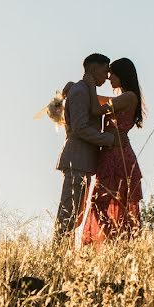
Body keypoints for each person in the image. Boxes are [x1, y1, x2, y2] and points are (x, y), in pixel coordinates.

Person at [81, 57, 144, 246]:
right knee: (103, 204)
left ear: (122, 76)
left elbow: (95, 109)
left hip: (118, 156)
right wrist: (81, 89)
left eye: (112, 74)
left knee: (102, 204)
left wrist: (90, 84)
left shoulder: (129, 97)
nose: (109, 78)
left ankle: (115, 241)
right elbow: (100, 101)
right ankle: (115, 241)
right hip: (112, 154)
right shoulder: (124, 98)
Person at [54, 53, 116, 238]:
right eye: (105, 71)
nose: (107, 76)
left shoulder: (84, 89)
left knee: (74, 216)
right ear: (93, 68)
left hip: (83, 162)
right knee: (68, 214)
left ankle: (65, 256)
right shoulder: (80, 91)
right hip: (77, 160)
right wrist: (108, 140)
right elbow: (80, 128)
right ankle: (58, 256)